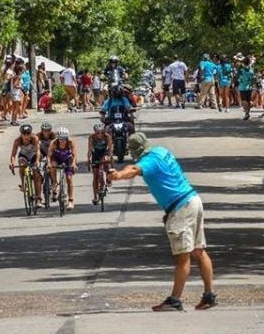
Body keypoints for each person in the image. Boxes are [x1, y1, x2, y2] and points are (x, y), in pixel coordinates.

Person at [108, 133, 217, 311]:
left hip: (181, 207)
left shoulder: (148, 161)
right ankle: (209, 295)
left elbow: (134, 170)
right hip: (193, 199)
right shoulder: (161, 151)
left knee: (183, 256)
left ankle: (175, 300)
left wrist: (118, 175)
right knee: (199, 251)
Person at [8, 124, 42, 208]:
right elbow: (13, 154)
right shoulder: (18, 141)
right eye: (24, 134)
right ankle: (23, 184)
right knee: (22, 165)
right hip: (24, 155)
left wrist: (37, 161)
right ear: (21, 134)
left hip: (34, 155)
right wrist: (12, 162)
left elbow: (38, 151)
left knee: (36, 175)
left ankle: (39, 199)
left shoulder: (34, 138)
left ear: (31, 133)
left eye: (28, 134)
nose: (26, 136)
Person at [47, 127, 78, 210]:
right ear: (58, 138)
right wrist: (49, 164)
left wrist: (74, 164)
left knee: (69, 178)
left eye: (64, 139)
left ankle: (70, 200)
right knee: (53, 165)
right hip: (56, 158)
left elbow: (74, 155)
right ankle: (54, 182)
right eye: (60, 139)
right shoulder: (54, 143)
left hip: (67, 158)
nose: (62, 141)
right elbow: (49, 156)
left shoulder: (70, 142)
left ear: (67, 138)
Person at [87, 123, 113, 206]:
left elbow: (110, 148)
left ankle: (108, 178)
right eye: (98, 133)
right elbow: (90, 149)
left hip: (105, 152)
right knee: (95, 175)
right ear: (95, 132)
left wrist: (109, 157)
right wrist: (88, 160)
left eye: (101, 132)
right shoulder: (91, 137)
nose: (100, 134)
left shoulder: (107, 137)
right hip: (96, 154)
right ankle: (95, 196)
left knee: (107, 162)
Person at [37, 122, 57, 200]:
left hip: (51, 152)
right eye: (44, 131)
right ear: (41, 130)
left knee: (52, 169)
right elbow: (36, 148)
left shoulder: (54, 136)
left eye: (48, 130)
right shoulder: (38, 135)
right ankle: (40, 175)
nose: (46, 132)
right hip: (42, 152)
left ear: (50, 130)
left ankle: (54, 189)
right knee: (38, 161)